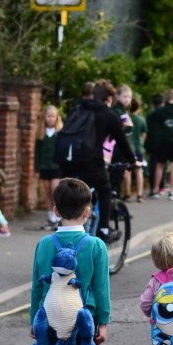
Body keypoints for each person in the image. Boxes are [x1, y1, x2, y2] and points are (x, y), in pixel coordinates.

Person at [30, 177, 111, 345]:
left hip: (51, 317)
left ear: (55, 209)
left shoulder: (43, 244)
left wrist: (34, 319)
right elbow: (101, 288)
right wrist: (104, 321)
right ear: (88, 211)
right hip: (82, 321)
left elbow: (36, 286)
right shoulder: (95, 246)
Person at [59, 79, 137, 243]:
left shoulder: (78, 108)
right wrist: (133, 161)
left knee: (76, 195)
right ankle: (103, 229)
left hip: (67, 161)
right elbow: (122, 141)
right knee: (105, 189)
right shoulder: (107, 114)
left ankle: (68, 227)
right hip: (90, 162)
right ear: (109, 99)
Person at [148, 89, 173, 201]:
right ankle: (172, 191)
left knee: (160, 165)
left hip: (163, 141)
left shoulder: (160, 111)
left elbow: (151, 119)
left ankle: (155, 190)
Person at [35, 105, 63, 227]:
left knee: (54, 191)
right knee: (47, 192)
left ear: (57, 118)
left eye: (53, 116)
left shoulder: (60, 133)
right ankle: (51, 216)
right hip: (44, 166)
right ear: (44, 118)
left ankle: (58, 215)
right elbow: (37, 152)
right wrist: (36, 168)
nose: (50, 119)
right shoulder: (41, 133)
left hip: (56, 167)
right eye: (48, 116)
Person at [124, 96, 147, 201]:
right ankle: (139, 194)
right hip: (138, 148)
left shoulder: (126, 118)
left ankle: (127, 193)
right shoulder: (141, 120)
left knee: (127, 171)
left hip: (128, 147)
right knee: (139, 170)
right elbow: (144, 135)